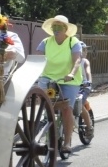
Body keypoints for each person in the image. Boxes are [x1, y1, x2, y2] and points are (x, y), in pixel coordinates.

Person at [36, 15, 83, 156]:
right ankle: (47, 128)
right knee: (45, 104)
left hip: (68, 79)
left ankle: (67, 142)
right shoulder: (45, 42)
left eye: (59, 27)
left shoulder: (73, 42)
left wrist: (72, 74)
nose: (56, 30)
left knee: (67, 108)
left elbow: (77, 61)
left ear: (66, 29)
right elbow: (38, 60)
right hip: (48, 77)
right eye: (54, 27)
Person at [77, 42, 94, 139]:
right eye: (84, 50)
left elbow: (88, 72)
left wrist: (89, 81)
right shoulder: (71, 61)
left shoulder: (85, 61)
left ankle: (89, 127)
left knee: (79, 105)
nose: (86, 51)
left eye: (86, 49)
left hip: (84, 86)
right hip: (74, 86)